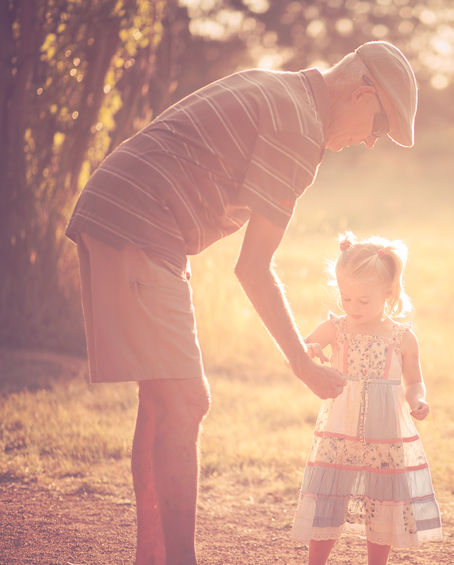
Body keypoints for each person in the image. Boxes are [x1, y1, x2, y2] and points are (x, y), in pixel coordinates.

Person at [64, 41, 418, 565]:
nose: (369, 141)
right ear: (363, 94)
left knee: (163, 403)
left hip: (119, 209)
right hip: (142, 223)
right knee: (185, 402)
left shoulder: (282, 89)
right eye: (379, 126)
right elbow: (253, 268)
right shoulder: (300, 130)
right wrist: (301, 362)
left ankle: (152, 557)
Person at [291, 232, 442, 565]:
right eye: (346, 298)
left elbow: (414, 380)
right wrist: (311, 349)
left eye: (363, 301)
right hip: (339, 430)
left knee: (382, 501)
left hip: (385, 433)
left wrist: (418, 400)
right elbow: (303, 346)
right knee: (329, 497)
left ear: (388, 293)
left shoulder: (402, 337)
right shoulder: (338, 328)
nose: (352, 308)